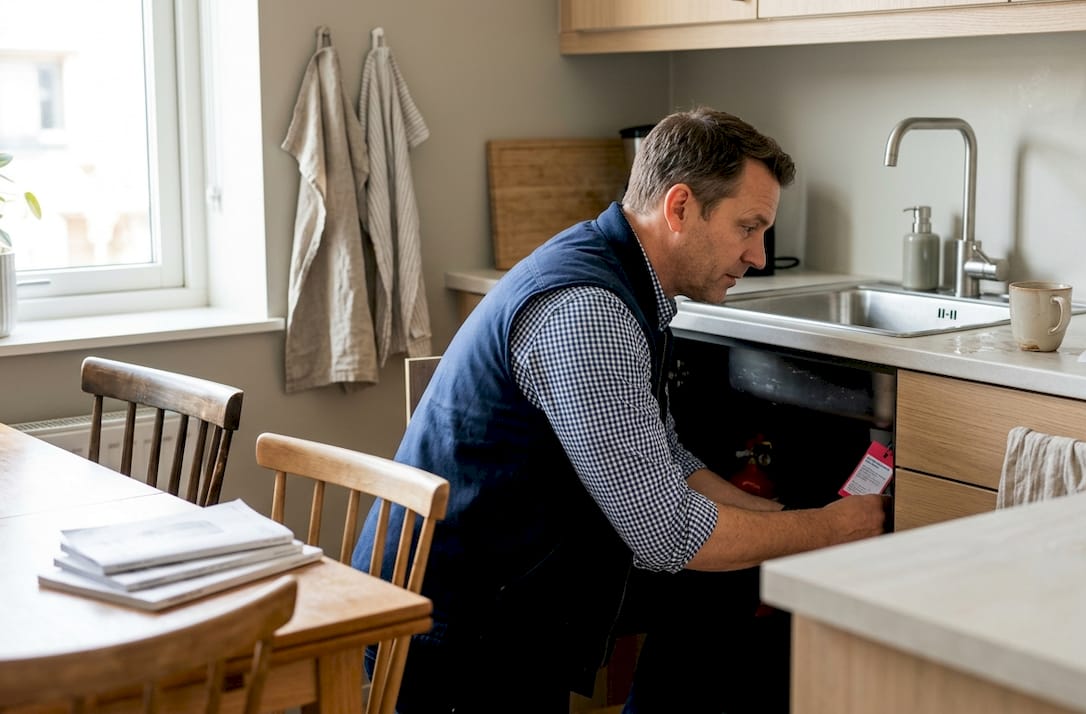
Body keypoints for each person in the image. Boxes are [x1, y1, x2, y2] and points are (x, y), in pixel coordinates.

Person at [352, 107, 887, 713]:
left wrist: (772, 515)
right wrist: (829, 530)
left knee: (726, 583)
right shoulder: (591, 310)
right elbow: (667, 534)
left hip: (495, 585)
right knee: (715, 571)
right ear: (680, 207)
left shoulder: (616, 268)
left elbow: (662, 453)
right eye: (748, 227)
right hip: (458, 628)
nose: (759, 256)